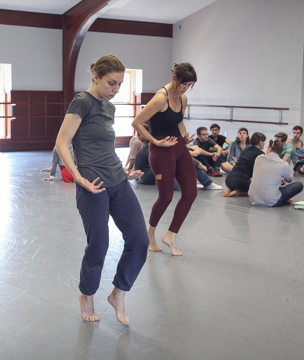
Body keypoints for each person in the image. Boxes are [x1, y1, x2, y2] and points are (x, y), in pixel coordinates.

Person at [55, 55, 148, 324]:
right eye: (111, 83)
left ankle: (118, 293)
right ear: (96, 76)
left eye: (119, 84)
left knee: (139, 241)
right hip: (92, 185)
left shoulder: (108, 107)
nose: (116, 89)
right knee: (99, 244)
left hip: (117, 180)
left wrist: (125, 171)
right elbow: (62, 143)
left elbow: (104, 147)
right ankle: (87, 295)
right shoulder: (82, 102)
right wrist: (78, 178)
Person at [132, 63, 198, 256]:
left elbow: (179, 122)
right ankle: (150, 232)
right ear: (175, 78)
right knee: (166, 196)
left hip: (178, 146)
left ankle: (171, 234)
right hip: (161, 150)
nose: (185, 88)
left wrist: (184, 135)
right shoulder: (160, 99)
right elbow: (136, 122)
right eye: (184, 83)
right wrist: (154, 141)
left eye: (190, 84)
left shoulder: (182, 98)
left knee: (191, 193)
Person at [248, 138, 304, 206]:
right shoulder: (283, 164)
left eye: (267, 147)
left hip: (253, 199)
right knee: (299, 184)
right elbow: (289, 179)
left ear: (270, 149)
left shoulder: (258, 158)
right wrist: (281, 176)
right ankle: (284, 199)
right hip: (271, 201)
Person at [223, 132, 266, 197]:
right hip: (241, 182)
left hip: (229, 179)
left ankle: (230, 189)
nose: (264, 143)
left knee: (239, 178)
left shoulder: (245, 150)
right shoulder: (261, 154)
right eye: (263, 141)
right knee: (259, 190)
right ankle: (239, 192)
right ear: (260, 142)